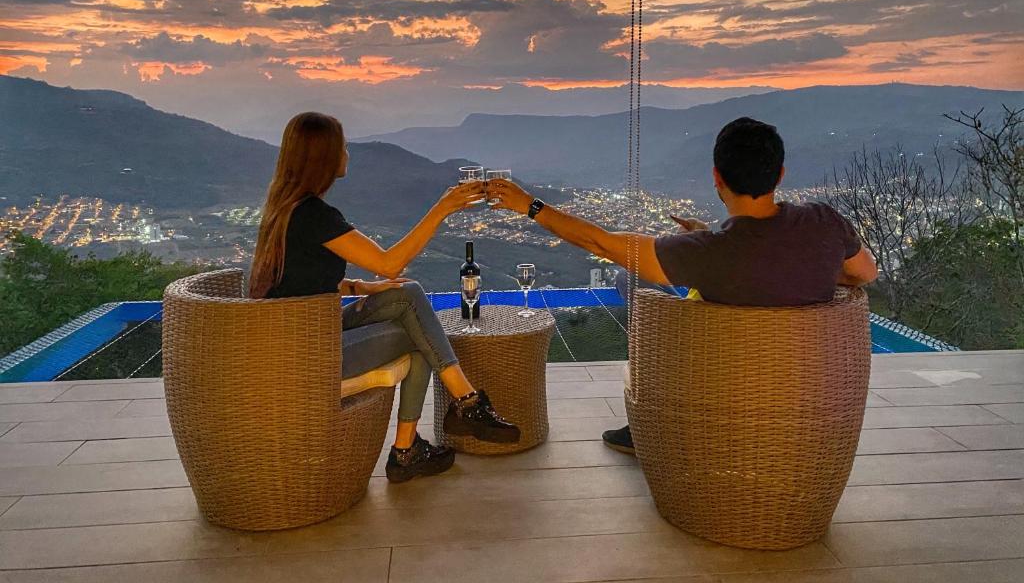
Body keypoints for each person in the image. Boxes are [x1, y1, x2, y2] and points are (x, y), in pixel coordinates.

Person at [487, 117, 877, 455]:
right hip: (813, 402)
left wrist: (530, 206)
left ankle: (653, 432)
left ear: (717, 177)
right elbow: (865, 273)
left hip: (719, 400)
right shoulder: (825, 222)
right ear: (779, 175)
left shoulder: (710, 253)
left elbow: (600, 242)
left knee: (653, 327)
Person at [250, 112, 520, 483]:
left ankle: (449, 419)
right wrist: (442, 207)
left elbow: (298, 280)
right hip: (310, 353)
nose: (348, 152)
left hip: (296, 336)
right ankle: (447, 419)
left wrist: (362, 288)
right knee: (416, 333)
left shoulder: (286, 208)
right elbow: (389, 263)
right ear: (324, 157)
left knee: (406, 295)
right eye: (342, 146)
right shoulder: (314, 214)